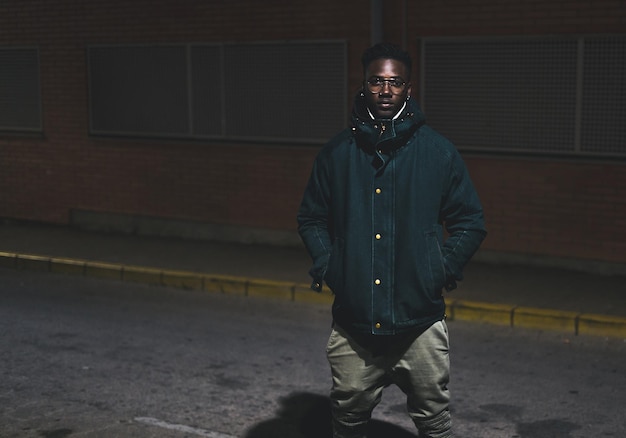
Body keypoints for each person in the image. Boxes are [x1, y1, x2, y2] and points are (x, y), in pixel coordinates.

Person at [297, 42, 487, 438]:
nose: (386, 90)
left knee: (434, 421)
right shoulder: (336, 154)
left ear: (408, 89)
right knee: (348, 419)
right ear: (363, 85)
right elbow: (312, 218)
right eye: (377, 81)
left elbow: (470, 222)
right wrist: (332, 267)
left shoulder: (438, 153)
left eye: (395, 82)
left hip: (419, 321)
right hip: (354, 323)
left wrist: (438, 268)